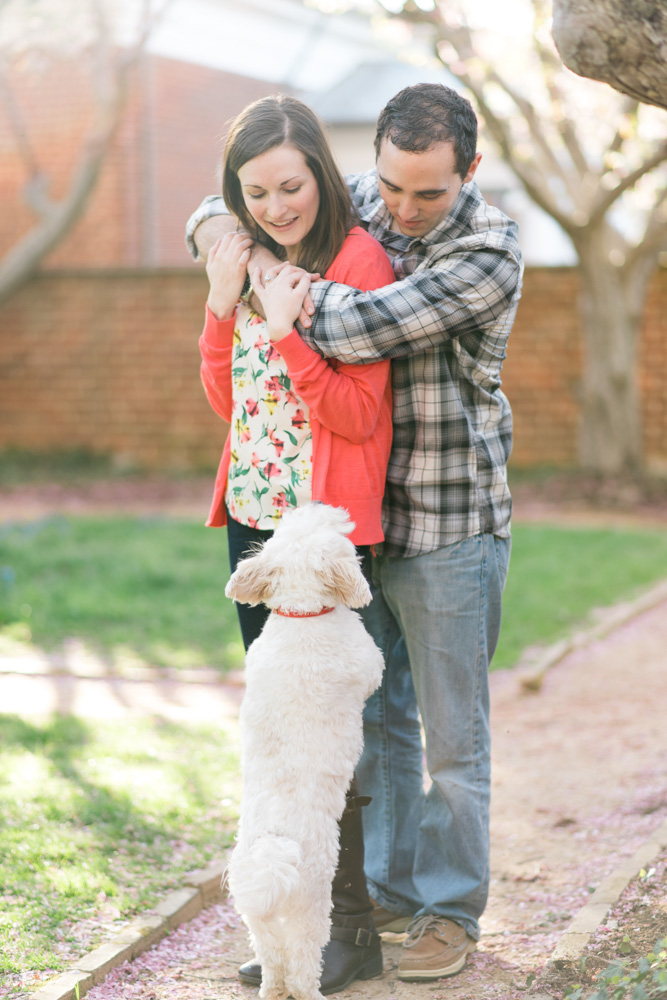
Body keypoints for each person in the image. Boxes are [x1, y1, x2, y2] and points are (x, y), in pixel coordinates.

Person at [187, 83, 523, 985]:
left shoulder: (481, 251)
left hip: (443, 514)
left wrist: (256, 288)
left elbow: (357, 329)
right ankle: (375, 901)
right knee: (371, 724)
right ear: (367, 169)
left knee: (452, 736)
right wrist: (229, 246)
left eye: (430, 194)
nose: (408, 210)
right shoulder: (345, 209)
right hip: (343, 516)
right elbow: (233, 198)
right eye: (393, 187)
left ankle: (443, 914)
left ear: (469, 173)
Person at [198, 93, 395, 992]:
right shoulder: (245, 254)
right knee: (276, 740)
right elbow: (229, 403)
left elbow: (356, 415)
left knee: (326, 743)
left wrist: (287, 334)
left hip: (320, 537)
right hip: (255, 530)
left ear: (319, 169)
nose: (277, 207)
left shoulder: (357, 261)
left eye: (290, 185)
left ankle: (348, 927)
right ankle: (285, 932)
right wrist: (219, 303)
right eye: (256, 193)